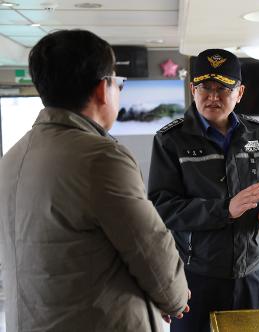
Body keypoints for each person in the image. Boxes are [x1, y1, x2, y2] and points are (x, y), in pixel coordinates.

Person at [0, 29, 189, 331]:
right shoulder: (101, 158)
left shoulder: (12, 157)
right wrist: (175, 299)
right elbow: (149, 247)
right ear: (103, 89)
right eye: (119, 82)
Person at [148, 48, 259, 332]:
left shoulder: (258, 133)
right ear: (193, 90)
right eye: (205, 87)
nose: (213, 96)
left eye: (224, 88)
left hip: (253, 270)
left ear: (239, 93)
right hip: (196, 273)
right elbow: (161, 208)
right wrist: (225, 209)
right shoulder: (170, 140)